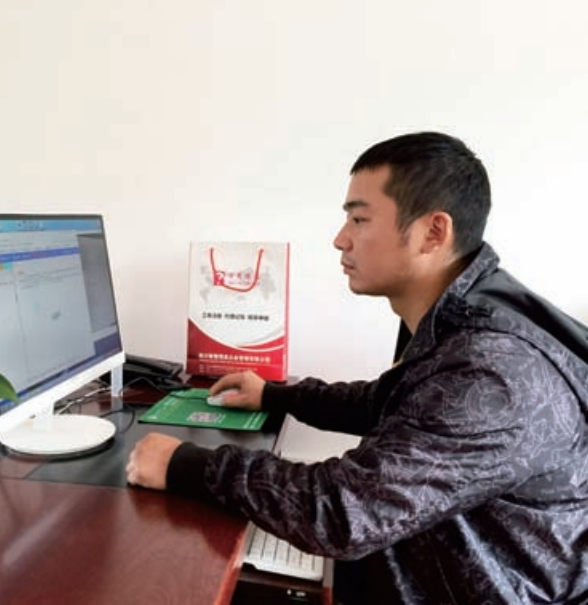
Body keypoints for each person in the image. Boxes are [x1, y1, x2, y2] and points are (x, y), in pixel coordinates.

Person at [125, 132, 588, 604]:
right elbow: (389, 403)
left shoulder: (493, 376)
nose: (340, 239)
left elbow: (342, 513)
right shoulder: (465, 315)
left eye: (359, 219)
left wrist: (184, 464)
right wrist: (274, 394)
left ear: (433, 232)